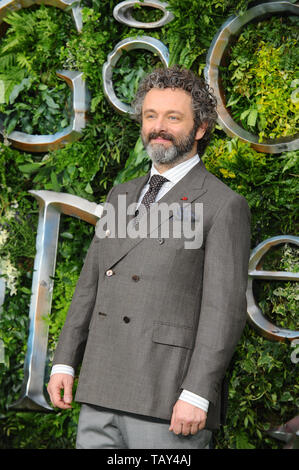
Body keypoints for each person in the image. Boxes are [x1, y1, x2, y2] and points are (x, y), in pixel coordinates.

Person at [47, 66, 251, 449]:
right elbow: (90, 283)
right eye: (151, 116)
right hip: (101, 384)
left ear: (201, 127)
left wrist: (197, 392)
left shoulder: (223, 205)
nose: (159, 127)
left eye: (173, 117)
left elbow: (224, 311)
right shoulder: (121, 195)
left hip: (167, 395)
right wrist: (64, 362)